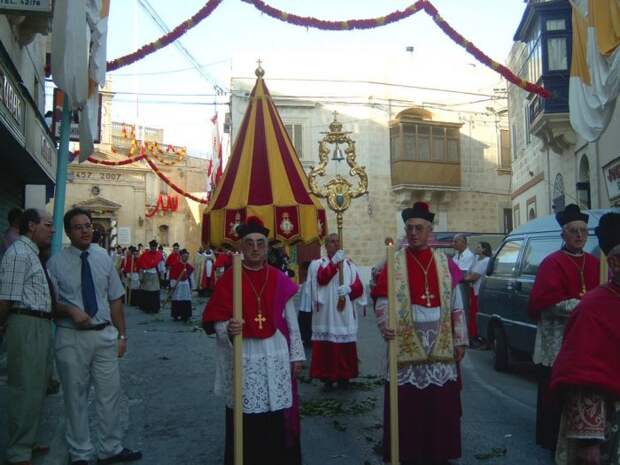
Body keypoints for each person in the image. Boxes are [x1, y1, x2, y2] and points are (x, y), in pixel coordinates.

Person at [202, 217, 305, 465]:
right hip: (244, 354)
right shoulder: (230, 278)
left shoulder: (279, 278)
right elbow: (215, 320)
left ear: (267, 248)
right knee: (244, 414)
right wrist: (228, 327)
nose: (255, 248)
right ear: (241, 247)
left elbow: (291, 319)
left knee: (274, 413)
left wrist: (297, 354)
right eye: (249, 243)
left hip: (275, 352)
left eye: (260, 243)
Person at [371, 202, 468, 465]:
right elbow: (382, 299)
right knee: (409, 405)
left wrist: (460, 339)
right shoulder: (395, 262)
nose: (413, 233)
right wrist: (384, 326)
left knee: (440, 403)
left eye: (419, 228)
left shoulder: (444, 262)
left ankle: (439, 453)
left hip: (441, 339)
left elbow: (456, 302)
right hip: (405, 339)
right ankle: (408, 452)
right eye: (409, 228)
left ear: (429, 231)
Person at [46, 208, 142, 465]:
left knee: (109, 396)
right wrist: (69, 310)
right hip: (71, 338)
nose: (86, 230)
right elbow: (50, 305)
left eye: (88, 225)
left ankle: (110, 448)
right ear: (68, 232)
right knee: (74, 397)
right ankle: (80, 453)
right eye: (78, 227)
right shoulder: (56, 264)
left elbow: (116, 300)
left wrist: (122, 336)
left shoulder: (103, 258)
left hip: (104, 337)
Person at [528, 204, 600, 454]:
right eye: (573, 231)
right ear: (563, 234)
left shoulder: (594, 263)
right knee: (554, 388)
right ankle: (550, 439)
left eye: (583, 231)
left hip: (584, 337)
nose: (579, 236)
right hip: (556, 338)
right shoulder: (551, 263)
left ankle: (582, 435)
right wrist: (586, 305)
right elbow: (544, 302)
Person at [550, 212, 620, 465]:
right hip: (608, 430)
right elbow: (581, 376)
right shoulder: (593, 308)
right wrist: (589, 441)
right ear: (614, 264)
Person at [0, 209, 54, 465]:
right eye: (48, 224)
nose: (52, 230)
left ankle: (28, 439)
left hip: (40, 324)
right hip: (25, 323)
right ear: (32, 226)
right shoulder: (19, 254)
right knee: (24, 387)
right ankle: (18, 451)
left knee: (37, 386)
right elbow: (5, 298)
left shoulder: (31, 253)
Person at [305, 232, 365, 391]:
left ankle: (345, 376)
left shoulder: (350, 265)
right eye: (331, 242)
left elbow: (359, 288)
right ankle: (327, 377)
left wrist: (349, 289)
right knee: (327, 343)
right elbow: (322, 279)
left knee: (345, 342)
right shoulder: (318, 264)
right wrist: (334, 263)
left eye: (338, 241)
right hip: (326, 313)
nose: (336, 244)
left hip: (343, 312)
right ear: (326, 245)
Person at [462, 241, 492, 348]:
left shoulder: (486, 261)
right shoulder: (477, 260)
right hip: (473, 289)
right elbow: (469, 273)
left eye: (479, 247)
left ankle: (478, 338)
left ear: (484, 249)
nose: (476, 248)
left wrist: (462, 278)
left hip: (479, 291)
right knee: (472, 314)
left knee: (476, 314)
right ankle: (473, 336)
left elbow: (473, 277)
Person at [452, 233, 475, 320]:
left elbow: (464, 273)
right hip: (456, 285)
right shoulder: (456, 255)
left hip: (464, 286)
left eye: (456, 241)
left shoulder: (469, 256)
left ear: (463, 242)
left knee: (464, 308)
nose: (453, 244)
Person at [137, 240, 163, 313]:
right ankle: (146, 308)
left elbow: (161, 266)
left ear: (156, 247)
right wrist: (141, 275)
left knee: (154, 292)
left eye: (155, 247)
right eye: (152, 247)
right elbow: (140, 264)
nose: (153, 248)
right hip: (147, 275)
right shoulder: (145, 254)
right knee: (147, 292)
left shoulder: (159, 255)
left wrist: (161, 275)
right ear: (150, 247)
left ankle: (155, 308)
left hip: (155, 275)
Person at [169, 249, 193, 322]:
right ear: (181, 256)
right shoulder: (176, 265)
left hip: (186, 285)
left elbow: (191, 277)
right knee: (177, 298)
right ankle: (176, 315)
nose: (186, 258)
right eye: (184, 256)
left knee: (186, 299)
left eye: (187, 257)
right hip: (178, 284)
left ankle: (185, 315)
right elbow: (172, 275)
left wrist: (192, 286)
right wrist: (172, 284)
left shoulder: (189, 266)